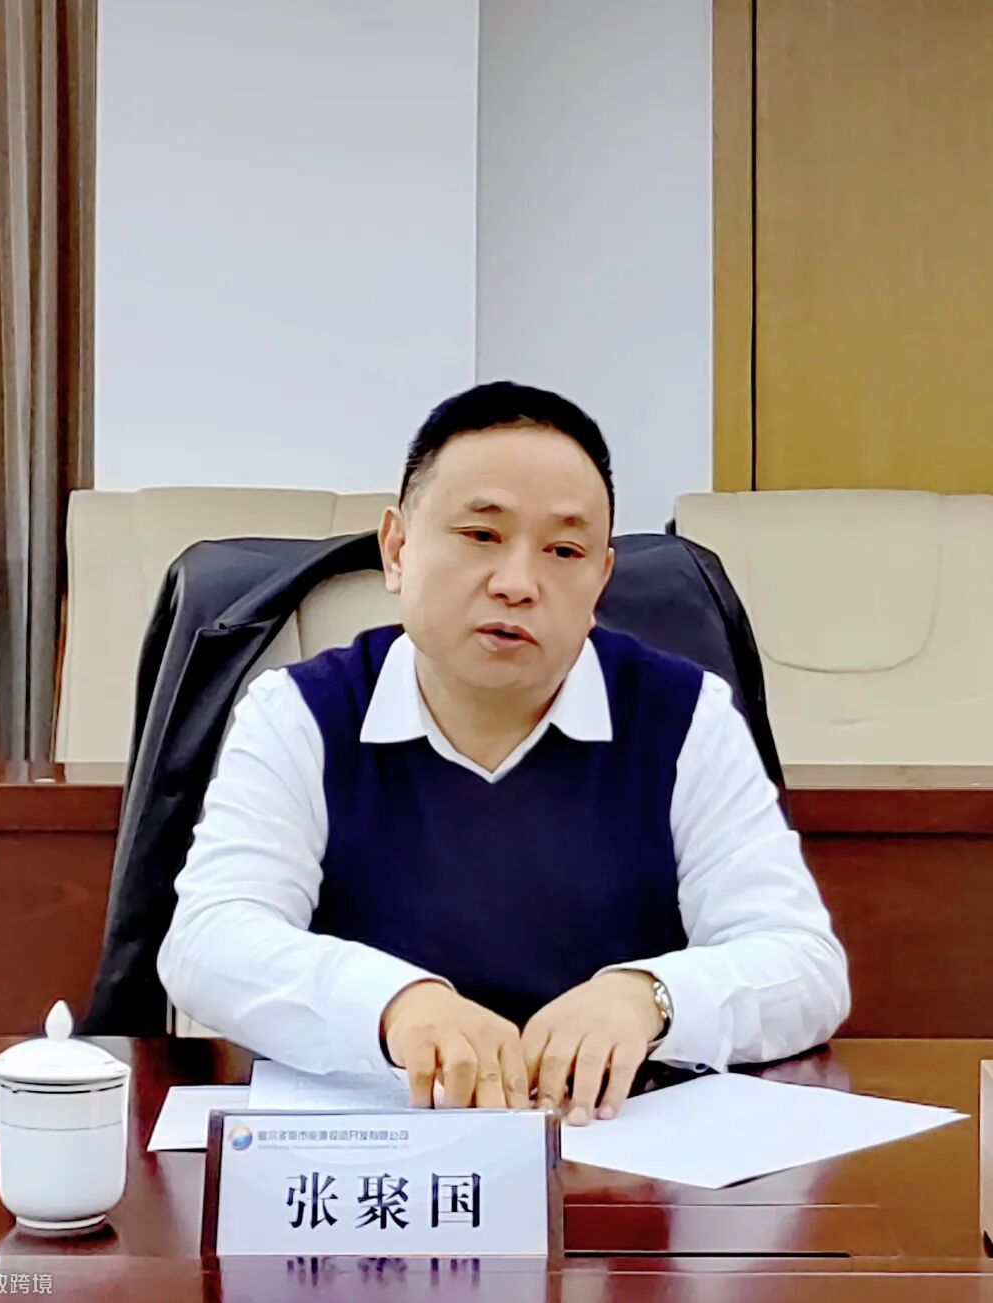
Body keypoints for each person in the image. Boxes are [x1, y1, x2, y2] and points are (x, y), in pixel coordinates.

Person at [158, 381, 849, 1125]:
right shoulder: (299, 713)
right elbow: (208, 942)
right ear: (397, 549)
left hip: (612, 1151)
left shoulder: (684, 716)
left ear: (601, 579)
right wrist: (393, 1004)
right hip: (382, 1148)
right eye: (481, 536)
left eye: (564, 550)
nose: (517, 584)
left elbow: (804, 965)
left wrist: (648, 997)